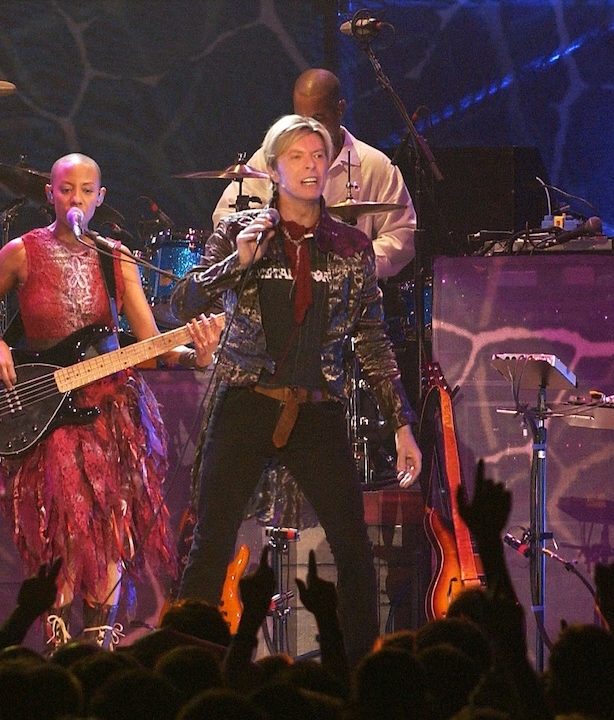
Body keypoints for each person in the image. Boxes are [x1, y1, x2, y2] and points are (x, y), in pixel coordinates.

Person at [172, 115, 422, 664]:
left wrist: (401, 424)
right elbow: (183, 301)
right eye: (297, 157)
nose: (311, 166)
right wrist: (237, 262)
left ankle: (359, 673)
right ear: (272, 168)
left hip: (316, 408)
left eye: (318, 156)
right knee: (210, 543)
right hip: (246, 400)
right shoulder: (239, 232)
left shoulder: (351, 246)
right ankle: (187, 667)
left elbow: (373, 340)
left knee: (353, 548)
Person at [0, 152, 221, 647]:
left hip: (110, 411)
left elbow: (150, 347)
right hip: (47, 413)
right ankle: (59, 648)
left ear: (100, 199)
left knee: (108, 536)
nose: (75, 200)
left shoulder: (116, 257)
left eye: (85, 191)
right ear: (49, 194)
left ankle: (101, 647)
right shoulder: (21, 251)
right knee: (62, 535)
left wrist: (196, 355)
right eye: (65, 190)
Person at [212, 68, 416, 281]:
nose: (309, 129)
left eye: (318, 118)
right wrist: (259, 250)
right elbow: (225, 215)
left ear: (340, 109)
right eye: (302, 119)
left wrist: (355, 264)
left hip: (350, 290)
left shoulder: (375, 165)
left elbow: (402, 235)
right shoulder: (270, 159)